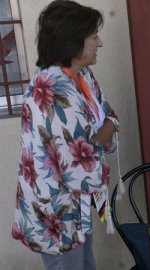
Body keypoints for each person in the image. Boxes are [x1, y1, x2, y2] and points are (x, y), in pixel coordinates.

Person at [11, 1, 120, 269]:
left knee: (85, 263)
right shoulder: (53, 88)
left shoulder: (81, 75)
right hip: (57, 211)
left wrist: (100, 134)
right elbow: (81, 161)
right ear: (73, 40)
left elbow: (110, 117)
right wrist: (100, 134)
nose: (100, 43)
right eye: (94, 36)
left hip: (75, 206)